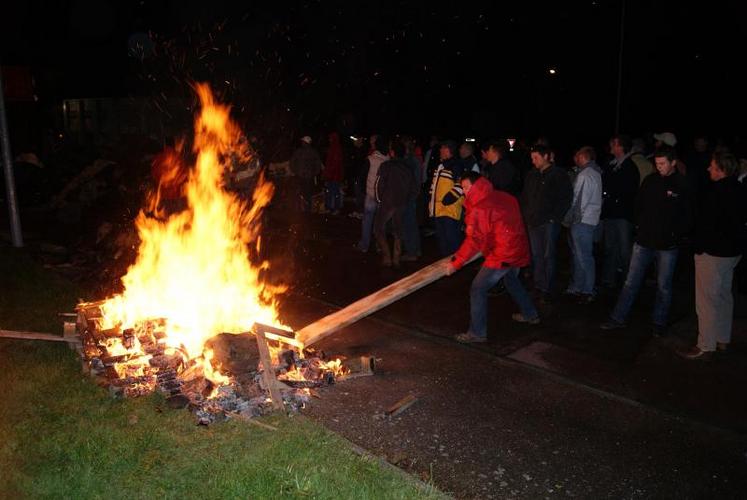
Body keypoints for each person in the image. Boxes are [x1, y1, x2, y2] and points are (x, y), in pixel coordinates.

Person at [601, 146, 693, 336]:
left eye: (662, 164)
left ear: (673, 162)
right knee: (630, 282)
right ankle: (618, 317)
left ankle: (658, 323)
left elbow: (688, 215)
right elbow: (638, 205)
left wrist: (677, 235)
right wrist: (639, 226)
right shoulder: (650, 181)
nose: (658, 167)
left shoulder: (682, 185)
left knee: (664, 287)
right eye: (657, 163)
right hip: (643, 241)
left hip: (668, 245)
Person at [446, 172, 539, 343]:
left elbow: (474, 240)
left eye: (467, 187)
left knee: (478, 288)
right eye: (463, 188)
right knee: (511, 280)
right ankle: (530, 314)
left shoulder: (481, 208)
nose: (464, 191)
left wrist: (456, 263)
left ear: (477, 185)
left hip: (503, 254)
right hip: (517, 248)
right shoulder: (504, 196)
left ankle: (477, 333)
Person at [680, 152, 747, 359]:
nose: (709, 169)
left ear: (721, 169)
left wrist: (699, 248)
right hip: (732, 253)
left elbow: (705, 224)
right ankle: (722, 338)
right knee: (724, 295)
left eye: (712, 166)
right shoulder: (741, 189)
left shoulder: (716, 191)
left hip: (713, 253)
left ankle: (705, 344)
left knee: (707, 299)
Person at [521, 144, 573, 301]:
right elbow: (525, 197)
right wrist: (526, 214)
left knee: (548, 255)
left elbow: (566, 198)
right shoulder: (532, 175)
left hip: (549, 222)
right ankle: (539, 285)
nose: (533, 161)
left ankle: (548, 288)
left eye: (536, 158)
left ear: (545, 156)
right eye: (532, 158)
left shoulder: (558, 175)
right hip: (533, 222)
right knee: (537, 255)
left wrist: (554, 217)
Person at [564, 146, 603, 303]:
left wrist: (571, 219)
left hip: (582, 221)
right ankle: (579, 287)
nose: (576, 159)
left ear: (584, 157)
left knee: (583, 257)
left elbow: (578, 201)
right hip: (591, 219)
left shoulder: (584, 175)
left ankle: (586, 289)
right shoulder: (596, 173)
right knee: (583, 255)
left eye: (578, 157)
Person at [600, 134, 640, 288]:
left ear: (622, 147)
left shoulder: (630, 167)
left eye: (614, 144)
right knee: (610, 248)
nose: (611, 146)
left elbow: (629, 191)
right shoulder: (610, 165)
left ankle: (628, 281)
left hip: (623, 214)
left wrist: (613, 195)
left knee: (624, 249)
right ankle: (608, 279)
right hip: (610, 213)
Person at [373, 141, 416, 267]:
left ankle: (387, 257)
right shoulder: (408, 169)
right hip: (401, 203)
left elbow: (378, 185)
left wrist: (379, 200)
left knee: (378, 229)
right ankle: (396, 258)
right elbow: (414, 188)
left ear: (392, 152)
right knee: (398, 231)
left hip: (387, 203)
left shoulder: (386, 166)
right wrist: (406, 200)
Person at [428, 140, 465, 256]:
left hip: (450, 211)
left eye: (442, 148)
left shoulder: (456, 166)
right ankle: (447, 266)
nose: (440, 150)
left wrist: (449, 198)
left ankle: (457, 265)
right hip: (439, 211)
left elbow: (461, 185)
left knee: (452, 240)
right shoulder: (441, 166)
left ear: (449, 150)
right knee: (443, 241)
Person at [356, 135, 389, 252]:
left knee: (367, 220)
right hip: (382, 196)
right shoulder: (388, 160)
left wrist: (363, 191)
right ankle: (379, 245)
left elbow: (363, 177)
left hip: (370, 194)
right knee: (380, 223)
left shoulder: (370, 159)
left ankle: (364, 245)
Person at [289, 136, 322, 212]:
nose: (302, 143)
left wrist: (314, 173)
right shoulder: (301, 151)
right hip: (303, 176)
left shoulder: (311, 152)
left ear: (306, 143)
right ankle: (303, 209)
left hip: (306, 176)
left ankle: (305, 209)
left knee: (306, 193)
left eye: (303, 142)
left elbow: (318, 164)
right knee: (304, 193)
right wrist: (295, 171)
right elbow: (292, 162)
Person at [322, 132, 344, 214]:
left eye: (330, 138)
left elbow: (334, 164)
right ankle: (330, 208)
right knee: (330, 192)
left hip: (334, 175)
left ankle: (335, 208)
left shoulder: (336, 148)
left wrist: (328, 173)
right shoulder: (333, 148)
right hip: (333, 175)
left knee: (334, 192)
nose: (329, 139)